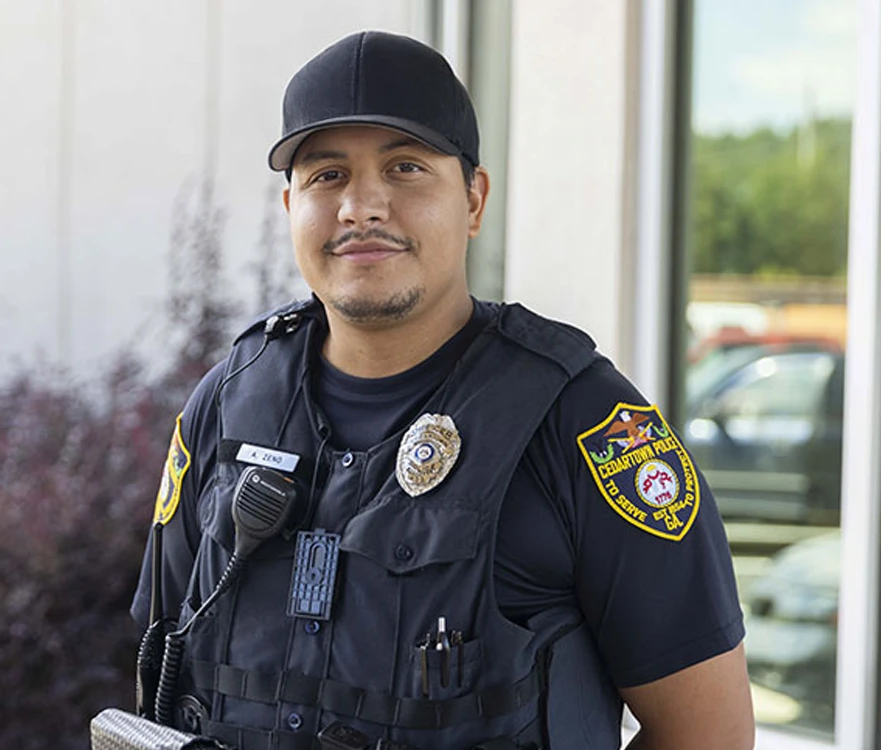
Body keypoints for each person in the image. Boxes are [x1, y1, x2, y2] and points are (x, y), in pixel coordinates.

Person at [132, 30, 754, 750]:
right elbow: (161, 672)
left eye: (404, 168)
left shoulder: (586, 427)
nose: (361, 207)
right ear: (289, 207)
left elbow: (709, 733)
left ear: (474, 199)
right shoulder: (229, 403)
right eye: (327, 175)